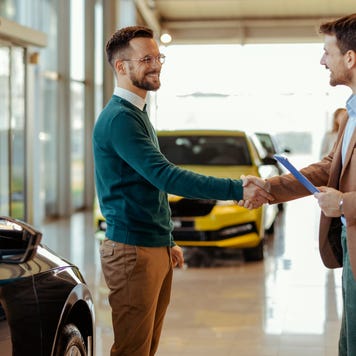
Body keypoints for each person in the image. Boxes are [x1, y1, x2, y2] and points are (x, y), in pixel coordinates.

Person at [92, 25, 272, 356]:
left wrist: (167, 241)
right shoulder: (120, 119)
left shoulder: (138, 113)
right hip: (132, 252)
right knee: (132, 349)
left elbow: (149, 186)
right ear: (121, 66)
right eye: (146, 58)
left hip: (150, 246)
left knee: (147, 346)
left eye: (158, 57)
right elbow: (165, 177)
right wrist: (237, 187)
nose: (156, 64)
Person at [241, 13, 356, 356]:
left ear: (350, 58)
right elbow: (326, 169)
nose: (322, 60)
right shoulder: (350, 113)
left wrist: (345, 204)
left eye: (327, 52)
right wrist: (269, 188)